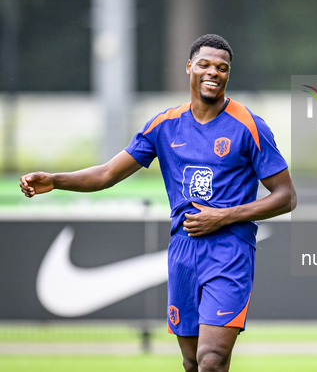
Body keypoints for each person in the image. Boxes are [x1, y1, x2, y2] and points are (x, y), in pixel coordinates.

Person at [20, 34, 296, 372]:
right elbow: (107, 173)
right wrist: (56, 180)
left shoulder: (250, 126)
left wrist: (222, 217)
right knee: (192, 362)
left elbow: (286, 197)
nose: (214, 73)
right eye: (205, 65)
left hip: (229, 251)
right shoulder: (165, 125)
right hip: (183, 250)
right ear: (189, 68)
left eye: (222, 68)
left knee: (212, 359)